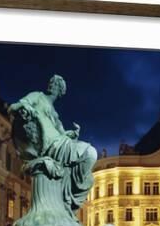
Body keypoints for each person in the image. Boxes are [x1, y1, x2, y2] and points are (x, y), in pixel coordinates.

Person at [8, 75, 97, 213]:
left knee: (89, 171)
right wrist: (24, 105)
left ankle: (70, 195)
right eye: (51, 83)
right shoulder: (37, 96)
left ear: (60, 91)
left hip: (60, 142)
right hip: (49, 146)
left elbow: (62, 133)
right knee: (90, 152)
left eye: (56, 85)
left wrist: (71, 134)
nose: (52, 86)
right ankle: (69, 195)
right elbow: (12, 107)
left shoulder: (55, 114)